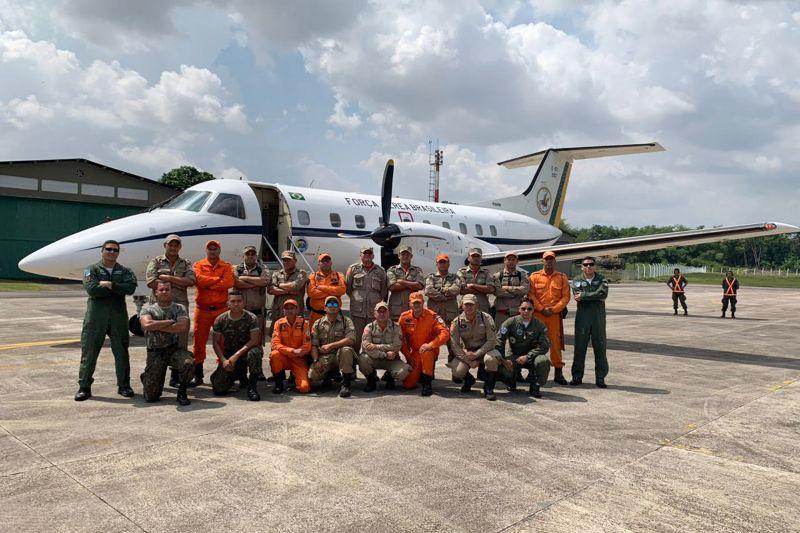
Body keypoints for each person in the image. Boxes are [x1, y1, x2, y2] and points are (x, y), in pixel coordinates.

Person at [75, 240, 138, 401]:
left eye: (115, 250)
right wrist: (117, 289)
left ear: (118, 252)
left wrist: (110, 285)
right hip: (96, 318)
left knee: (121, 352)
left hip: (118, 317)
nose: (111, 252)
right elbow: (92, 289)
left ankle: (124, 385)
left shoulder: (124, 270)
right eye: (108, 249)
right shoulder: (91, 269)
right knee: (89, 352)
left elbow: (130, 288)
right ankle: (84, 387)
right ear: (102, 251)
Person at [138, 280, 193, 405]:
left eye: (167, 289)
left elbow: (183, 327)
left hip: (173, 349)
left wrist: (156, 325)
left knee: (188, 363)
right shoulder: (148, 310)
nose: (164, 292)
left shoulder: (179, 308)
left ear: (171, 292)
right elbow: (146, 324)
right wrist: (170, 321)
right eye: (161, 290)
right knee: (151, 397)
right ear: (156, 292)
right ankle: (146, 378)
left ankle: (182, 391)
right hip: (155, 352)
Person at [191, 240, 235, 386]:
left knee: (222, 341)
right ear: (206, 250)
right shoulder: (198, 265)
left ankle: (220, 370)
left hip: (221, 309)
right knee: (198, 341)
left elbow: (228, 282)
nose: (213, 251)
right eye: (210, 249)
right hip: (202, 309)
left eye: (215, 249)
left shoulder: (226, 266)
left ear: (219, 251)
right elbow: (198, 280)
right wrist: (217, 280)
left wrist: (208, 284)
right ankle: (198, 374)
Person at [209, 289, 263, 401]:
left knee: (256, 353)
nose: (236, 304)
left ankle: (252, 387)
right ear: (227, 304)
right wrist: (223, 360)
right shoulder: (220, 319)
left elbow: (254, 341)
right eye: (233, 301)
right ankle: (238, 376)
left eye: (239, 301)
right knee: (219, 389)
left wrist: (236, 356)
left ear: (243, 303)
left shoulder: (251, 318)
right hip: (229, 355)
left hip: (247, 352)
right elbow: (215, 342)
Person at [144, 234, 195, 350]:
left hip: (180, 305)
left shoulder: (186, 263)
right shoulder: (155, 262)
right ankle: (156, 359)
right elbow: (151, 282)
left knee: (182, 332)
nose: (173, 247)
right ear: (165, 245)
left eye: (176, 245)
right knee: (157, 331)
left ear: (180, 247)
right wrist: (179, 283)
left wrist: (168, 278)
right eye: (170, 245)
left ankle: (180, 359)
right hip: (159, 305)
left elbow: (191, 281)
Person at [528, 250, 570, 385]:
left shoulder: (562, 277)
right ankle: (532, 371)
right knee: (535, 342)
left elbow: (565, 296)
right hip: (538, 315)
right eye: (547, 259)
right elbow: (531, 295)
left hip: (554, 316)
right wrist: (541, 308)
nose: (549, 261)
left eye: (551, 258)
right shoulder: (534, 277)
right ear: (542, 261)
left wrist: (554, 309)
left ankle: (558, 372)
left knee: (555, 343)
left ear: (555, 261)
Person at [450, 294, 501, 401]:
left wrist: (477, 354)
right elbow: (455, 345)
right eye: (466, 304)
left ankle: (489, 389)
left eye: (471, 305)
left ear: (477, 305)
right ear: (461, 306)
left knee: (492, 359)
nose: (469, 307)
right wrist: (468, 360)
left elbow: (492, 341)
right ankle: (469, 380)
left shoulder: (486, 318)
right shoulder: (457, 322)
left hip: (486, 350)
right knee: (457, 371)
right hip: (468, 352)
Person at [496, 298, 551, 398]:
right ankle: (511, 380)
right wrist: (503, 359)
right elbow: (499, 340)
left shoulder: (539, 325)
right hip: (514, 355)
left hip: (532, 356)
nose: (526, 311)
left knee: (543, 361)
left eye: (529, 309)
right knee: (502, 369)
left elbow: (545, 345)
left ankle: (535, 385)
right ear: (519, 309)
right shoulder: (510, 322)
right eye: (523, 308)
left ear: (533, 310)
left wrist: (528, 356)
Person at [399, 292, 451, 396]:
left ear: (423, 303)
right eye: (414, 303)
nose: (416, 305)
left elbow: (445, 333)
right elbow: (399, 338)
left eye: (419, 303)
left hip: (430, 350)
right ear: (410, 304)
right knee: (408, 384)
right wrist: (408, 356)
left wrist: (431, 345)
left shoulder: (432, 316)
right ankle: (420, 374)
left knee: (426, 352)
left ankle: (427, 384)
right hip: (415, 352)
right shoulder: (404, 317)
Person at [570, 256, 609, 388]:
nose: (588, 267)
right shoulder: (576, 280)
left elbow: (603, 294)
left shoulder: (602, 279)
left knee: (600, 348)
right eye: (585, 265)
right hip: (582, 319)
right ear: (582, 267)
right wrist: (595, 296)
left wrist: (585, 296)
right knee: (579, 348)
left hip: (598, 319)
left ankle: (600, 378)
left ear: (595, 266)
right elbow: (577, 296)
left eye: (591, 264)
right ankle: (576, 376)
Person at [309, 296, 357, 398]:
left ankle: (346, 383)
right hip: (325, 357)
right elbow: (314, 345)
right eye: (329, 304)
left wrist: (331, 345)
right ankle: (329, 375)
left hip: (340, 356)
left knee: (346, 350)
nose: (332, 307)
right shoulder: (318, 324)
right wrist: (316, 361)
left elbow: (351, 339)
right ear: (325, 308)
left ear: (339, 307)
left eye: (335, 304)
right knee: (312, 376)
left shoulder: (346, 321)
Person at [345, 246, 388, 352]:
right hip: (357, 313)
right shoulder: (353, 269)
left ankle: (368, 366)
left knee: (371, 342)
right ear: (360, 256)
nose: (367, 256)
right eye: (365, 254)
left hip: (373, 313)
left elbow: (384, 290)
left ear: (373, 256)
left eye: (369, 254)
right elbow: (348, 288)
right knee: (356, 340)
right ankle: (353, 366)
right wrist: (357, 299)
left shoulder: (380, 271)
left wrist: (375, 301)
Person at [359, 302, 409, 392]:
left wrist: (376, 346)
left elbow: (397, 346)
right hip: (375, 358)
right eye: (379, 311)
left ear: (388, 313)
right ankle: (371, 380)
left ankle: (389, 376)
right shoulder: (369, 327)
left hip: (392, 359)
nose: (382, 314)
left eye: (384, 311)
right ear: (374, 313)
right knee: (363, 359)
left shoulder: (396, 327)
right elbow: (367, 348)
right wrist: (385, 354)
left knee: (404, 371)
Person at [424, 253, 462, 367]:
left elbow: (456, 289)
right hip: (434, 317)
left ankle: (456, 372)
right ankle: (430, 371)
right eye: (440, 262)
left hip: (451, 317)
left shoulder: (455, 277)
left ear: (449, 263)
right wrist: (445, 296)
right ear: (436, 264)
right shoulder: (431, 277)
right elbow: (428, 291)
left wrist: (439, 291)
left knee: (453, 344)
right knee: (432, 344)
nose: (443, 264)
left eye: (445, 262)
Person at [269, 299, 312, 394]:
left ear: (297, 310)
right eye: (287, 308)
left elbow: (307, 345)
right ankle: (279, 384)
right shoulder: (279, 324)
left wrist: (299, 352)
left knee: (304, 388)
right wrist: (292, 351)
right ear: (283, 310)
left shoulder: (304, 323)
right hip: (284, 357)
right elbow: (275, 344)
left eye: (292, 308)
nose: (290, 310)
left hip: (299, 359)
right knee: (274, 355)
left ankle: (295, 376)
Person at [234, 245, 271, 345]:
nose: (250, 256)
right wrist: (255, 283)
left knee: (256, 343)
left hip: (257, 314)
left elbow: (264, 281)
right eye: (247, 254)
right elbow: (236, 282)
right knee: (239, 342)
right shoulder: (237, 268)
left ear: (256, 256)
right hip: (240, 314)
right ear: (243, 256)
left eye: (253, 254)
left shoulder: (263, 268)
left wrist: (244, 278)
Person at [268, 251, 308, 336]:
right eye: (284, 260)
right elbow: (271, 289)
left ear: (295, 260)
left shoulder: (301, 273)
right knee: (276, 340)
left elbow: (296, 286)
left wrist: (278, 285)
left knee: (296, 339)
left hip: (295, 315)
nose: (286, 262)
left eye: (289, 260)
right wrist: (288, 291)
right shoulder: (276, 273)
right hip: (278, 314)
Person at [386, 245, 425, 321]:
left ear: (411, 256)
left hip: (413, 311)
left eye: (408, 254)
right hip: (396, 311)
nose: (405, 256)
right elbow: (392, 287)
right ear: (399, 256)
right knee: (397, 332)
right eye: (403, 254)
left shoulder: (417, 270)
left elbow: (420, 286)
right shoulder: (392, 270)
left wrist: (402, 281)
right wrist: (412, 284)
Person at [307, 252, 346, 326]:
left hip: (335, 315)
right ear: (319, 263)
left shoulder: (339, 275)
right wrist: (334, 291)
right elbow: (312, 293)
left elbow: (342, 290)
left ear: (331, 263)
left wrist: (320, 287)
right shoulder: (313, 276)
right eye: (323, 261)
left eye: (327, 261)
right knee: (315, 336)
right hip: (317, 315)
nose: (325, 263)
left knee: (335, 337)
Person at [491, 251, 531, 323]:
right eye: (509, 259)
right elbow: (498, 292)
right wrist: (516, 292)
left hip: (517, 314)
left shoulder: (522, 275)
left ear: (517, 261)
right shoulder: (497, 276)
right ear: (504, 261)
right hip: (501, 314)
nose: (511, 262)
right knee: (500, 334)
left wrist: (507, 288)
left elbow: (525, 290)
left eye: (513, 260)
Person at [457, 248, 494, 314]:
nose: (476, 258)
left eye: (478, 256)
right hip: (466, 307)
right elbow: (462, 290)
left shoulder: (486, 272)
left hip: (482, 308)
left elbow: (491, 289)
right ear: (468, 258)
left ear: (481, 258)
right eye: (473, 256)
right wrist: (482, 289)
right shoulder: (461, 272)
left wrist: (473, 285)